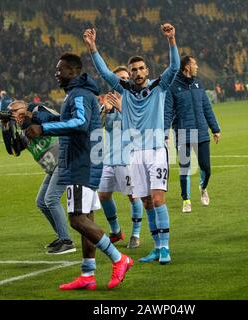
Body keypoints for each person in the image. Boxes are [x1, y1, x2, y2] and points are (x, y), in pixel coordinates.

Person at [25, 53, 132, 290]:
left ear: (72, 71)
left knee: (77, 219)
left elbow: (80, 123)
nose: (56, 73)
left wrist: (42, 128)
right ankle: (87, 273)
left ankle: (118, 258)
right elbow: (69, 119)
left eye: (59, 69)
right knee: (87, 219)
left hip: (81, 163)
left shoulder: (80, 94)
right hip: (84, 161)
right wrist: (34, 116)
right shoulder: (77, 94)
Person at [84, 23, 180, 265]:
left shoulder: (160, 86)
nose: (137, 72)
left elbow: (175, 66)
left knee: (157, 198)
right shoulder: (124, 89)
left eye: (140, 68)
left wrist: (171, 40)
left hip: (157, 150)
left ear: (147, 70)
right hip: (135, 154)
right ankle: (157, 247)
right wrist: (93, 47)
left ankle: (166, 247)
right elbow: (106, 73)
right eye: (133, 69)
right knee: (147, 201)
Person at [3, 100, 76, 255]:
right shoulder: (22, 130)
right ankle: (62, 236)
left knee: (51, 199)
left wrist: (30, 114)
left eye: (14, 110)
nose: (13, 115)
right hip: (53, 167)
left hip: (64, 159)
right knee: (42, 202)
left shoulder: (37, 109)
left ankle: (67, 242)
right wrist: (6, 128)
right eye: (10, 113)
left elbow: (57, 119)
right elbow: (14, 150)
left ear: (23, 107)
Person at [165, 55, 221, 213]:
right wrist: (164, 132)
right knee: (185, 169)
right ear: (187, 67)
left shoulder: (198, 84)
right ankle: (186, 200)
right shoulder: (173, 86)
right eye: (195, 64)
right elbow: (167, 111)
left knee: (206, 168)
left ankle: (203, 188)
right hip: (183, 132)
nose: (197, 67)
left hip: (202, 132)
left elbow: (206, 107)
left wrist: (215, 129)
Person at [99, 66, 144, 249]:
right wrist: (106, 111)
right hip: (109, 158)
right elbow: (101, 125)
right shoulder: (108, 100)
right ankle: (116, 231)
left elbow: (138, 126)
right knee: (103, 195)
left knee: (133, 196)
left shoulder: (134, 99)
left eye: (126, 78)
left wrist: (120, 107)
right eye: (120, 78)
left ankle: (136, 234)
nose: (124, 81)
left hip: (128, 157)